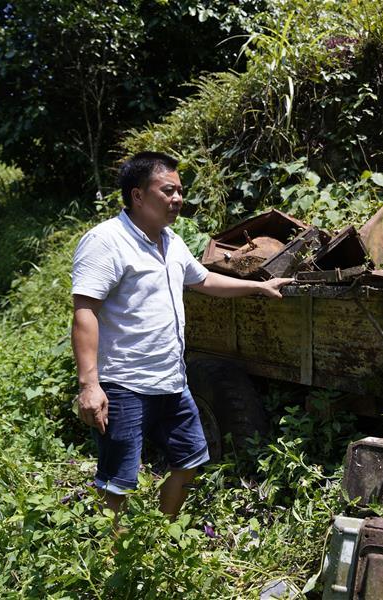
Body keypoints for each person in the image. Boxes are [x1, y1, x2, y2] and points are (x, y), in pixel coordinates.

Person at [71, 151, 292, 518]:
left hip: (172, 380)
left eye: (179, 191)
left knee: (190, 459)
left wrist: (256, 287)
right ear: (138, 195)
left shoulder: (170, 241)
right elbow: (85, 312)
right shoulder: (106, 241)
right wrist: (89, 386)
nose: (177, 199)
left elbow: (203, 279)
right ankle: (115, 562)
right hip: (124, 383)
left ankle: (162, 530)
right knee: (117, 482)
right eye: (167, 190)